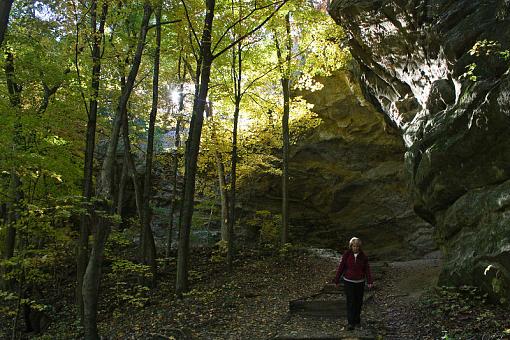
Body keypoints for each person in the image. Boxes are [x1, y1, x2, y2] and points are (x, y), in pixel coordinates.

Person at [332, 237, 374, 331]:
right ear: (351, 246)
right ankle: (351, 323)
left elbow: (367, 269)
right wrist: (336, 279)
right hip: (349, 282)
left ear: (360, 247)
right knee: (351, 302)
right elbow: (341, 267)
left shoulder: (363, 256)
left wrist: (370, 281)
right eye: (354, 246)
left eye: (357, 246)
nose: (355, 248)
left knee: (358, 302)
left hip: (360, 282)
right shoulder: (347, 254)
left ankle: (357, 321)